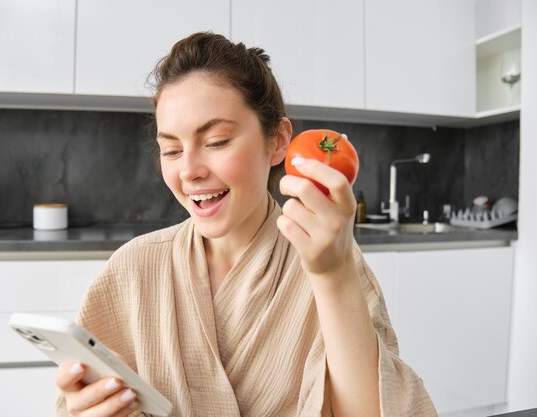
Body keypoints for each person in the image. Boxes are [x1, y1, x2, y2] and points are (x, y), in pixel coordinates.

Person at [55, 32, 437, 417]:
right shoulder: (133, 268)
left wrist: (333, 275)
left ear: (278, 140)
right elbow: (83, 397)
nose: (189, 171)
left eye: (217, 141)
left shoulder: (331, 261)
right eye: (171, 150)